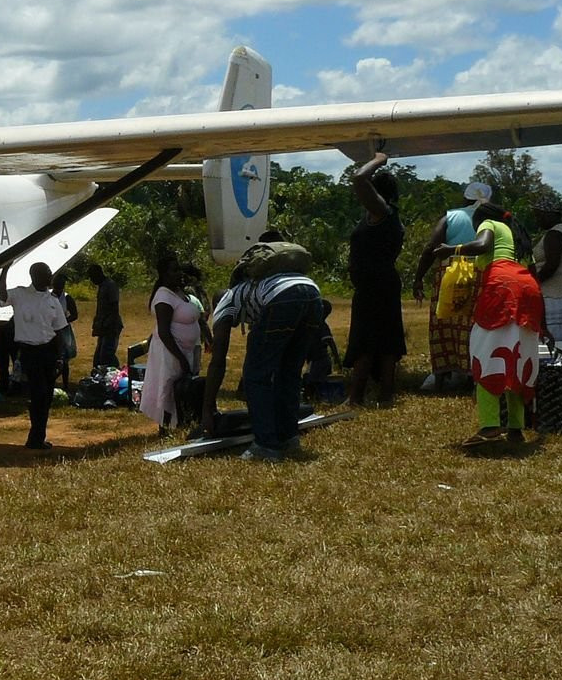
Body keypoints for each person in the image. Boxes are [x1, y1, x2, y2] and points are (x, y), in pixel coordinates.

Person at [431, 203, 544, 446]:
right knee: (516, 362)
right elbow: (531, 273)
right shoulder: (518, 236)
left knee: (485, 355)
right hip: (527, 291)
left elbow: (482, 245)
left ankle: (490, 425)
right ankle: (516, 429)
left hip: (502, 288)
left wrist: (452, 249)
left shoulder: (489, 223)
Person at [201, 265, 324, 462]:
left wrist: (207, 409)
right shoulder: (253, 291)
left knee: (255, 377)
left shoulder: (226, 302)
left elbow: (217, 361)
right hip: (312, 293)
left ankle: (266, 445)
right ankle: (288, 437)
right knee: (289, 373)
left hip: (282, 296)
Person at [412, 182, 491, 390]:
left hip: (449, 272)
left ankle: (441, 376)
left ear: (465, 198)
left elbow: (432, 247)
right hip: (479, 273)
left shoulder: (451, 216)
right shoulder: (491, 220)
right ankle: (473, 375)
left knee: (443, 323)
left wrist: (419, 277)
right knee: (473, 325)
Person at [343, 151, 406, 406]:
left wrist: (380, 159)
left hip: (376, 286)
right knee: (385, 338)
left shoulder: (383, 212)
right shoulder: (381, 216)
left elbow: (359, 178)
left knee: (366, 339)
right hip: (378, 284)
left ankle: (356, 397)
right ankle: (385, 395)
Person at [0, 261, 69, 449]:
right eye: (46, 273)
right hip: (30, 351)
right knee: (39, 393)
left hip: (49, 351)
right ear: (35, 276)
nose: (50, 275)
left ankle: (38, 436)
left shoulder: (52, 300)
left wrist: (60, 357)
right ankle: (35, 438)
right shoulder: (20, 294)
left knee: (46, 397)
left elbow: (60, 330)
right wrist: (4, 271)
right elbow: (1, 296)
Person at [139, 257, 204, 432]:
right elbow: (164, 332)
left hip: (187, 349)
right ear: (164, 274)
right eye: (174, 270)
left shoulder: (181, 293)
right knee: (167, 388)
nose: (178, 273)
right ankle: (165, 427)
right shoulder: (163, 296)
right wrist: (180, 357)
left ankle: (182, 421)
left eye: (179, 269)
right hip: (170, 351)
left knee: (184, 387)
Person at [531, 202, 562, 341]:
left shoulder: (555, 234)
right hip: (560, 286)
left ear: (550, 215)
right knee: (560, 329)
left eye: (540, 216)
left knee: (554, 333)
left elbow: (551, 265)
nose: (537, 220)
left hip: (553, 289)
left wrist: (533, 282)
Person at [86, 263, 123, 369]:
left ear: (98, 273)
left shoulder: (110, 285)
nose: (91, 280)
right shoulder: (102, 286)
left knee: (106, 356)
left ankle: (116, 374)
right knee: (99, 358)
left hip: (111, 326)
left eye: (92, 276)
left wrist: (107, 324)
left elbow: (114, 307)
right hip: (103, 326)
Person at [51, 272, 79, 389]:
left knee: (64, 357)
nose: (58, 287)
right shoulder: (47, 296)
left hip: (63, 329)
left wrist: (64, 321)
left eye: (61, 285)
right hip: (49, 329)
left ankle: (65, 384)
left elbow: (75, 315)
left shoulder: (67, 297)